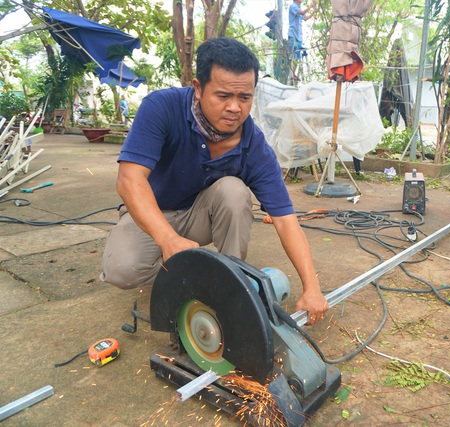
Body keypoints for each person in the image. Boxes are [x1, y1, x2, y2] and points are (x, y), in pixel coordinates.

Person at [100, 37, 328, 325]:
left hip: (198, 217)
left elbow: (285, 220)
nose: (235, 108)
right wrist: (169, 240)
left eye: (244, 97)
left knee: (234, 191)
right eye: (223, 96)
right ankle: (187, 272)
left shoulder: (254, 147)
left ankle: (230, 284)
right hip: (149, 213)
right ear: (198, 88)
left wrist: (312, 288)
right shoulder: (162, 107)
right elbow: (129, 180)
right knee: (123, 270)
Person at [288, 0, 317, 76]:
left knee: (297, 55)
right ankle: (291, 74)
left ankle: (294, 74)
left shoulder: (298, 7)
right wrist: (311, 5)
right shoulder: (293, 6)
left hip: (298, 36)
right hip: (293, 34)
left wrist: (314, 12)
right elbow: (303, 12)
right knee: (292, 54)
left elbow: (305, 18)